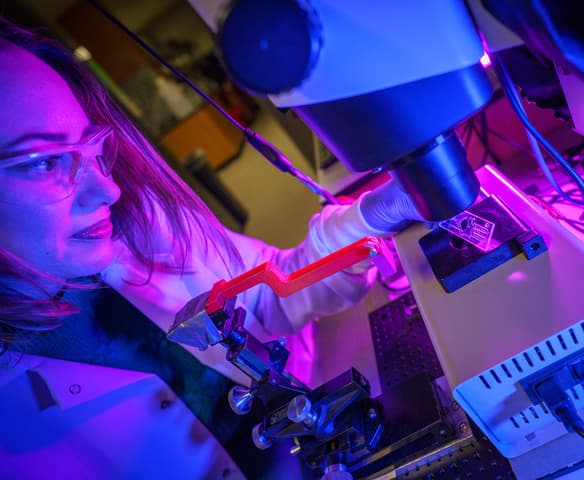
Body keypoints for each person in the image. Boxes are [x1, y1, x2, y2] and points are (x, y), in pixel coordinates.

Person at [0, 18, 422, 479]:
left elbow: (269, 290)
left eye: (91, 147)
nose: (107, 190)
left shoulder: (131, 228)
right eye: (42, 162)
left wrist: (369, 219)